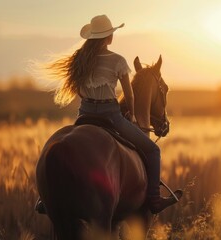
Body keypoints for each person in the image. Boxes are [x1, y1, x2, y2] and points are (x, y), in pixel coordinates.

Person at [41, 15, 181, 214]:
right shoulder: (117, 60)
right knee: (152, 151)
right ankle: (154, 199)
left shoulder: (79, 59)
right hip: (110, 115)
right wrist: (131, 115)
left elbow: (80, 91)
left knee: (66, 145)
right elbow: (129, 95)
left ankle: (44, 199)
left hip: (85, 114)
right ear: (109, 37)